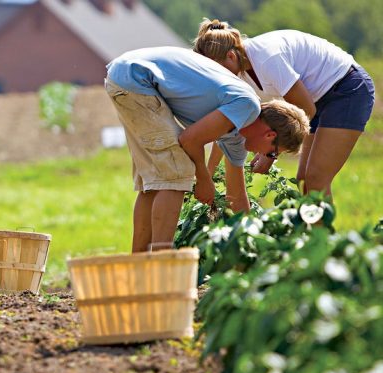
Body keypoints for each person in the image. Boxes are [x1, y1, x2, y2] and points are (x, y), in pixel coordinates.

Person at [106, 47, 309, 252]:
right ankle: (163, 261)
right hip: (137, 79)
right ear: (270, 136)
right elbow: (189, 139)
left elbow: (236, 195)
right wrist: (204, 179)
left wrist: (250, 241)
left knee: (153, 183)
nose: (266, 157)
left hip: (127, 76)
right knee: (177, 172)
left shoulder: (237, 137)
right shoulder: (247, 106)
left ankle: (138, 263)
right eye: (273, 153)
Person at [194, 19, 375, 199]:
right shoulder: (236, 72)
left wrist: (271, 153)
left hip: (346, 88)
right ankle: (310, 227)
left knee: (316, 179)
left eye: (216, 70)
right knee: (304, 180)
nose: (216, 77)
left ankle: (321, 229)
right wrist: (208, 176)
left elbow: (305, 110)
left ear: (231, 56)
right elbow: (226, 125)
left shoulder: (267, 59)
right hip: (314, 100)